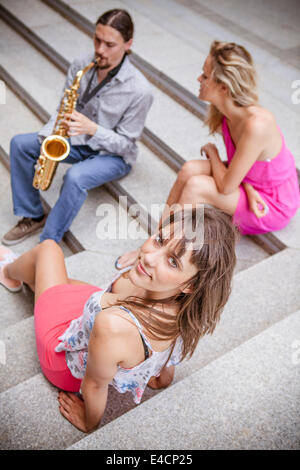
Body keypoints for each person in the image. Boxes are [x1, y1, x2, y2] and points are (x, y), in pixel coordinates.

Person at [0, 206, 237, 433]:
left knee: (48, 250)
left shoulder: (113, 326)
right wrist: (160, 378)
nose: (149, 258)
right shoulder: (188, 307)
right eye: (159, 240)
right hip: (98, 321)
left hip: (63, 358)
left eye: (173, 261)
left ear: (190, 284)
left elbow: (94, 385)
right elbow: (170, 356)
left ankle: (8, 272)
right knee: (50, 276)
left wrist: (88, 422)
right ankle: (35, 282)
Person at [116, 40, 300, 270]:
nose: (198, 80)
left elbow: (225, 187)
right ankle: (153, 243)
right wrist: (249, 187)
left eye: (205, 76)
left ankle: (166, 257)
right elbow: (241, 168)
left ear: (224, 87)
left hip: (272, 203)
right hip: (255, 187)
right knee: (189, 169)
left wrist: (213, 153)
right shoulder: (226, 112)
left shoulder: (256, 124)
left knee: (196, 187)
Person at [2, 9, 153, 246]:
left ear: (128, 44)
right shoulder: (82, 64)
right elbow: (63, 108)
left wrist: (93, 129)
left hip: (113, 155)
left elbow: (126, 144)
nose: (100, 50)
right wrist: (48, 136)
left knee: (75, 177)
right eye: (97, 40)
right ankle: (32, 215)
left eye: (110, 44)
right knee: (20, 144)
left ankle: (48, 243)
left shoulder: (139, 90)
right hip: (78, 139)